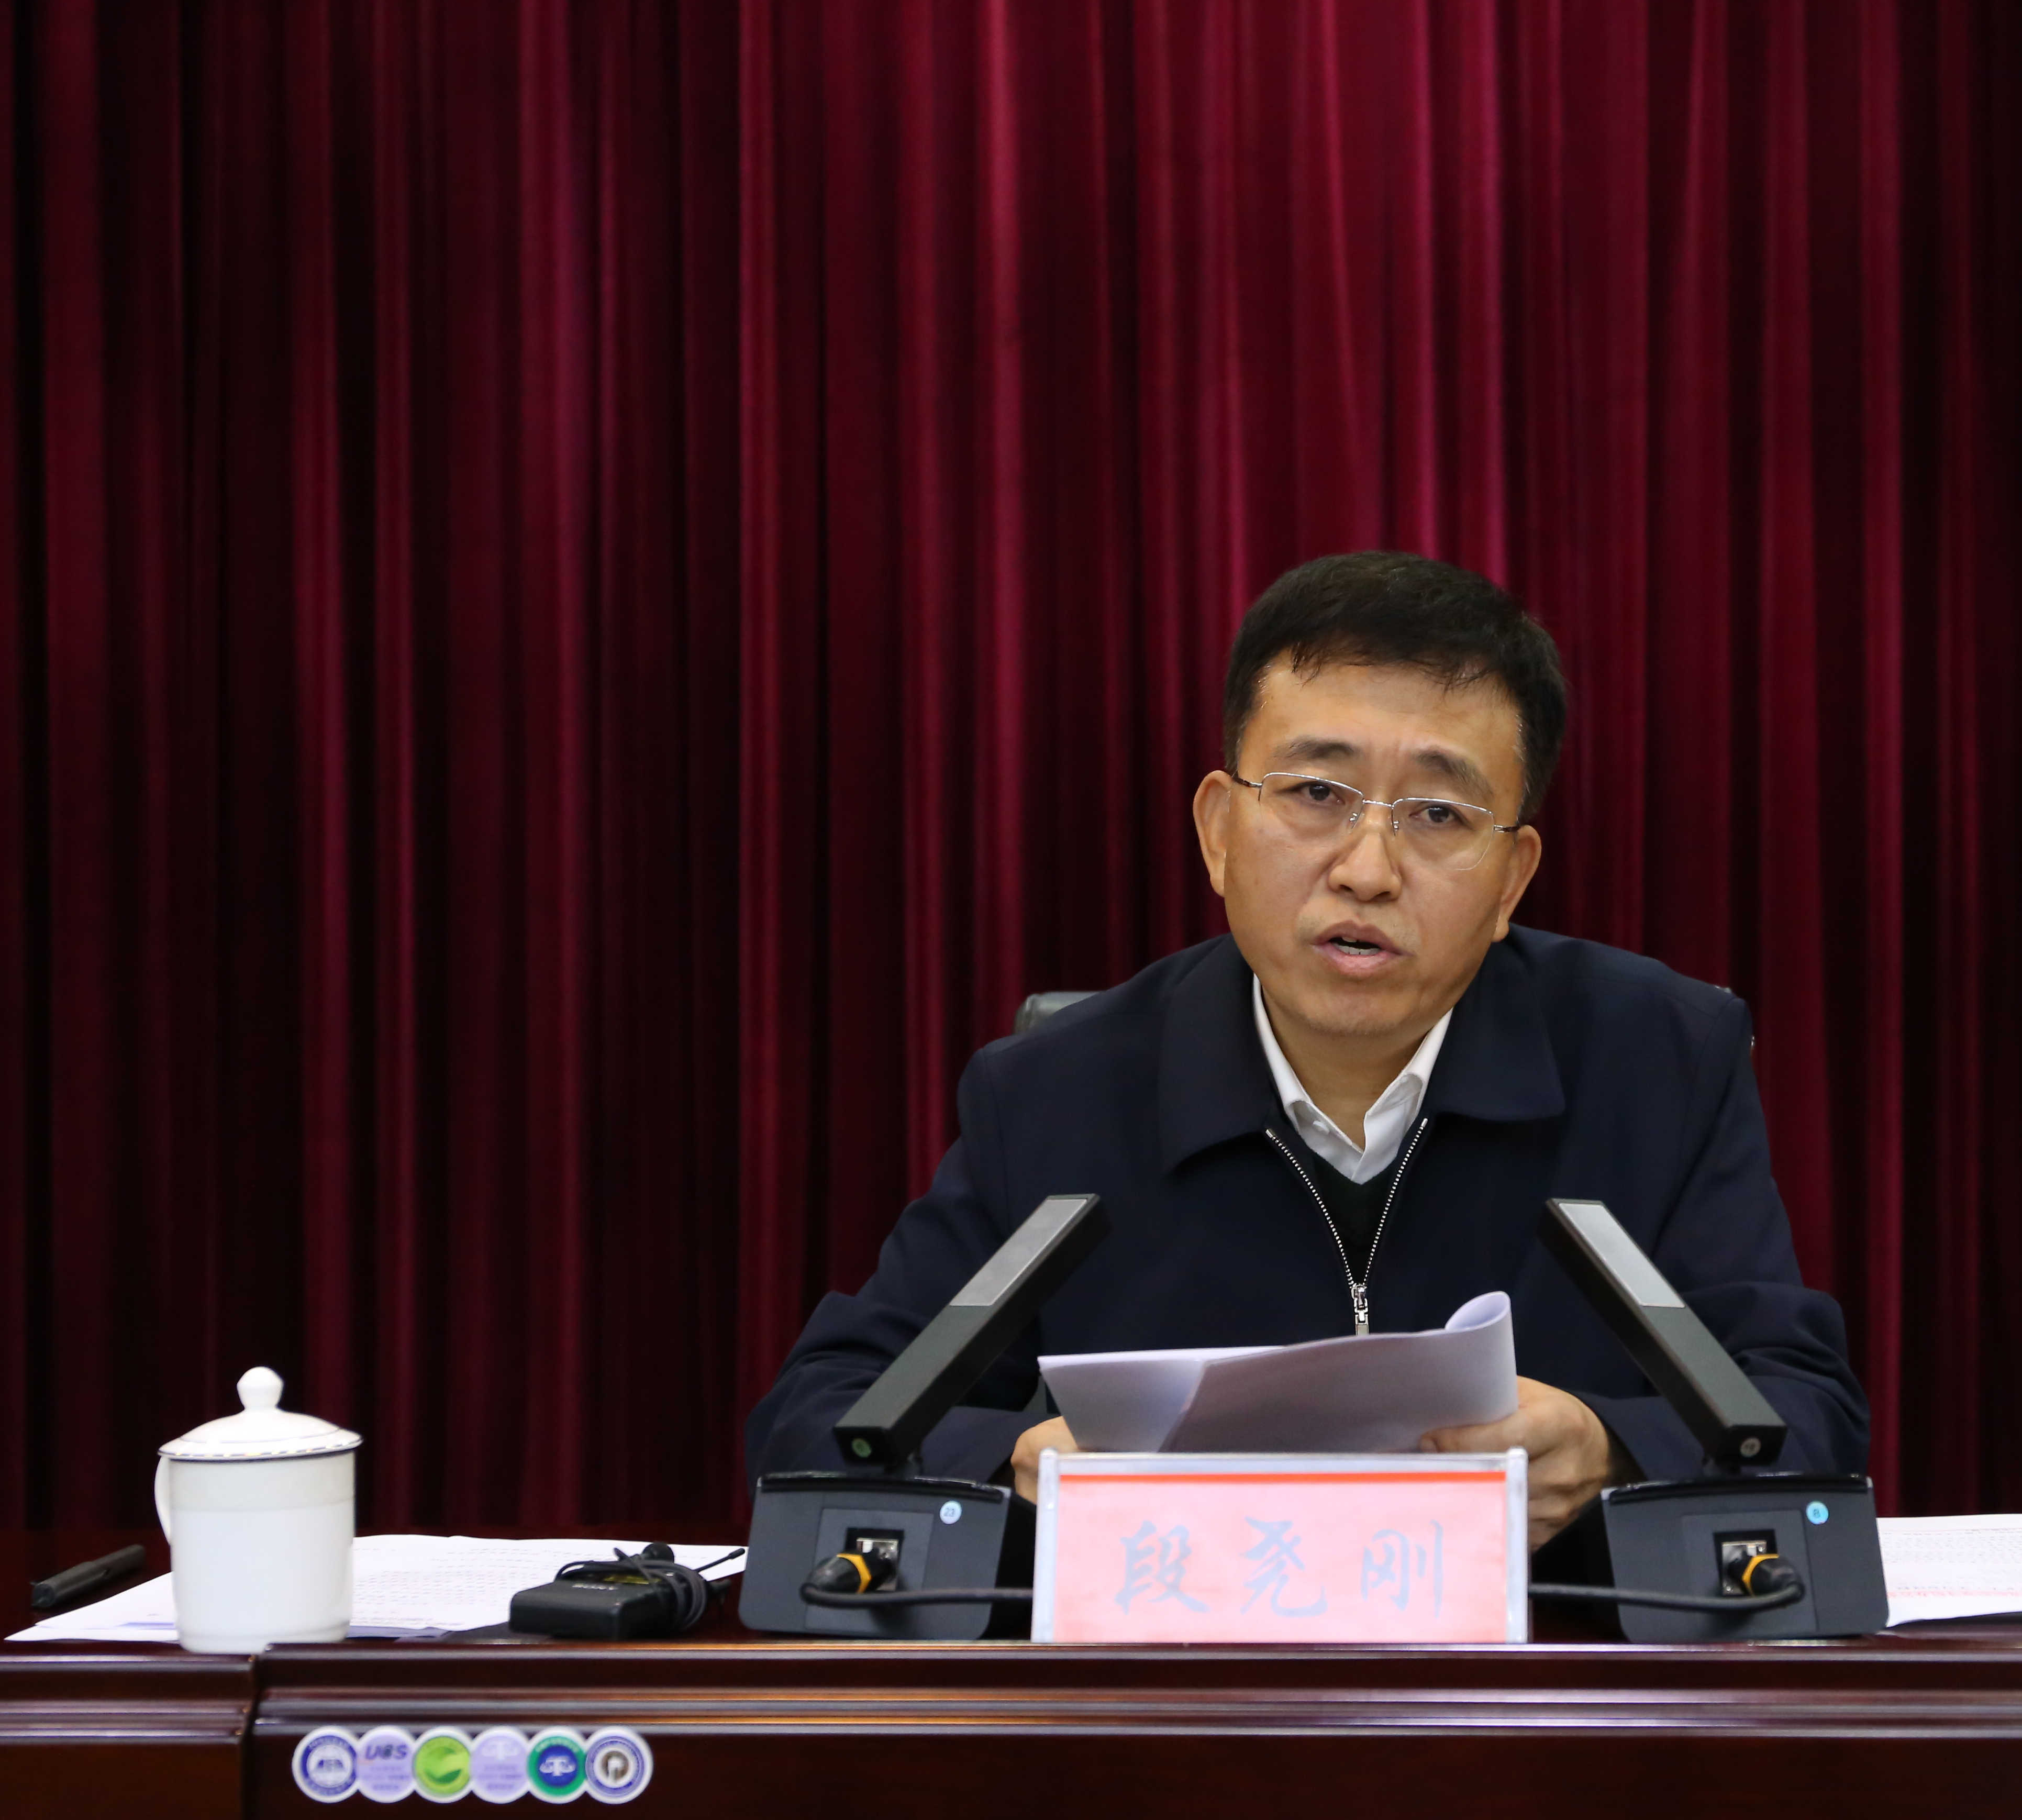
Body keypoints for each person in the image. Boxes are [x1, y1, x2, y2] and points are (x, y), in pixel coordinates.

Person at [746, 552, 1866, 1544]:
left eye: (1438, 814)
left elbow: (1804, 1414)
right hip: (1179, 1680)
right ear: (1218, 831)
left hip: (1538, 1682)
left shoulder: (1659, 1061)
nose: (1367, 870)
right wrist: (1015, 1467)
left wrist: (1611, 1452)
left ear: (1512, 880)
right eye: (1317, 794)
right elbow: (826, 1420)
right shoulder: (1053, 1092)